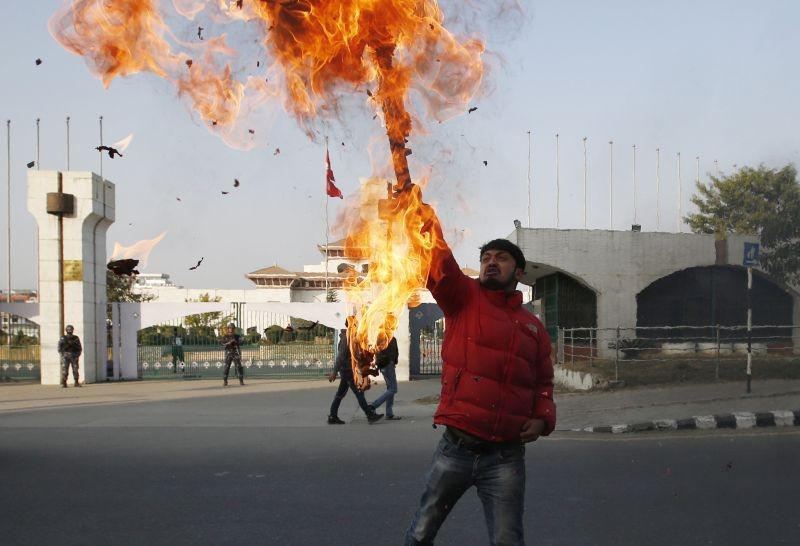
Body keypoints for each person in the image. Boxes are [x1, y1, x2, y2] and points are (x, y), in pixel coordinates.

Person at [404, 192, 556, 546]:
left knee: (507, 540)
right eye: (486, 257)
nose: (491, 263)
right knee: (421, 533)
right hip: (455, 449)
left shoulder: (533, 327)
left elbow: (543, 383)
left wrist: (543, 418)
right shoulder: (462, 297)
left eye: (501, 258)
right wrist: (417, 208)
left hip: (505, 457)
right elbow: (437, 256)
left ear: (518, 272)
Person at [327, 324, 383, 425]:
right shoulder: (346, 340)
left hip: (347, 370)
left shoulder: (350, 338)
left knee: (340, 394)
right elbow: (340, 357)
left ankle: (332, 416)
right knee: (359, 393)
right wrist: (334, 372)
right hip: (348, 371)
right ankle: (370, 415)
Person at [368, 336, 400, 420]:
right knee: (393, 389)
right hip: (388, 365)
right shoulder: (389, 338)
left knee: (390, 389)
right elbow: (395, 352)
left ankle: (389, 413)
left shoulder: (380, 337)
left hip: (383, 365)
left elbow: (377, 352)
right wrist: (393, 361)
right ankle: (373, 406)